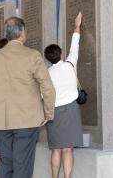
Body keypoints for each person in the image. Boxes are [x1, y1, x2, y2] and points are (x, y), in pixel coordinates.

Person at [0, 17, 56, 178]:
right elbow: (47, 87)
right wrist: (48, 113)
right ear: (22, 33)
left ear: (7, 35)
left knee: (6, 164)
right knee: (23, 165)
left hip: (0, 122)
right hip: (26, 120)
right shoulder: (32, 56)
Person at [44, 12, 83, 178]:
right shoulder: (69, 64)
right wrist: (77, 26)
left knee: (56, 149)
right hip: (71, 111)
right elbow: (75, 45)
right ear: (60, 54)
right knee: (68, 148)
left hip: (53, 113)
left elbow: (43, 95)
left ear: (47, 58)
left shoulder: (45, 74)